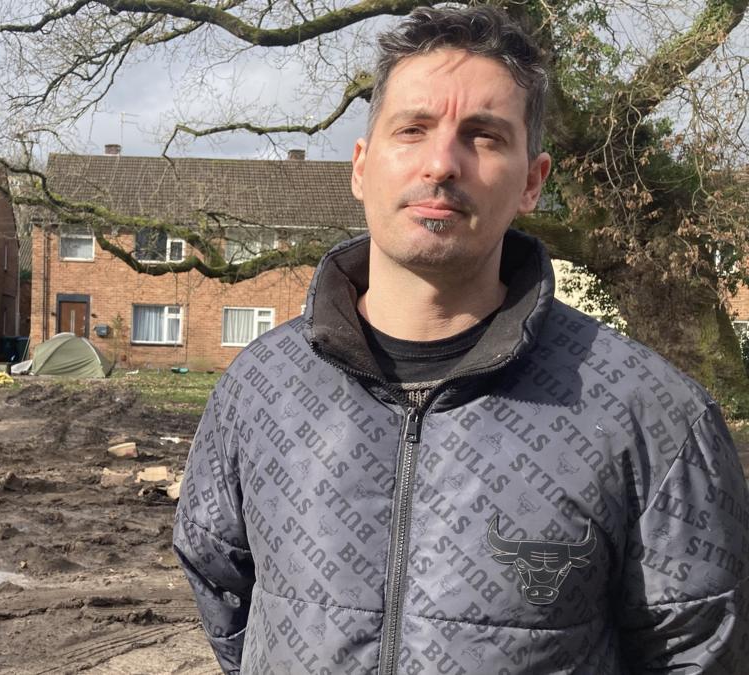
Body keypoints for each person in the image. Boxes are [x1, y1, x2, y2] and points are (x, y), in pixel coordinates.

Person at [173, 6, 749, 674]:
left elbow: (703, 650)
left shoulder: (653, 416)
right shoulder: (260, 389)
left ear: (533, 181)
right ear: (361, 166)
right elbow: (223, 589)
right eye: (412, 129)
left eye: (483, 136)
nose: (442, 163)